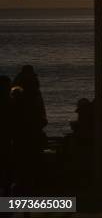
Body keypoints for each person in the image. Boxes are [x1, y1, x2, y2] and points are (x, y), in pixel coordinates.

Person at [11, 65, 47, 195]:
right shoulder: (30, 90)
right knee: (28, 159)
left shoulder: (19, 87)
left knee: (24, 160)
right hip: (28, 130)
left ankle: (24, 185)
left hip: (25, 131)